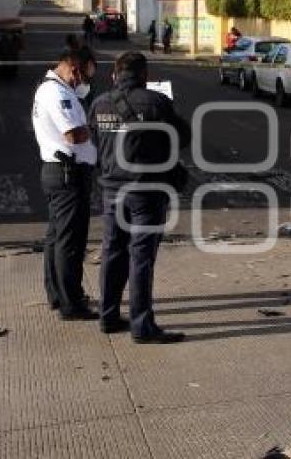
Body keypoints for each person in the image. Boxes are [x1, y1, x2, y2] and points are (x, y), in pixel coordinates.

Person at [89, 51, 191, 343]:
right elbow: (181, 139)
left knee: (112, 251)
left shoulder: (99, 103)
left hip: (111, 189)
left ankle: (107, 317)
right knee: (142, 257)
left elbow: (95, 143)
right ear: (145, 75)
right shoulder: (157, 102)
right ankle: (142, 326)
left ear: (115, 74)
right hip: (146, 190)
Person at [32, 49, 98, 320]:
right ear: (73, 68)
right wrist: (99, 127)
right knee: (70, 242)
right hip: (68, 174)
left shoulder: (52, 88)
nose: (84, 83)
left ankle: (58, 295)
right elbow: (74, 134)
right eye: (84, 76)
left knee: (57, 238)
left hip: (59, 172)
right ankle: (72, 303)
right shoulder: (57, 94)